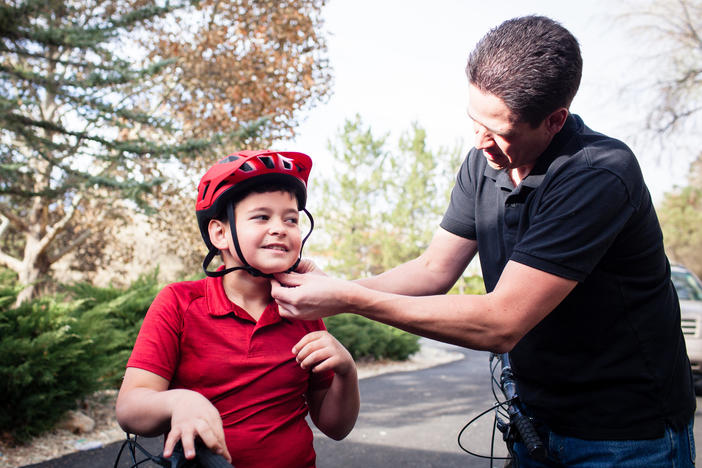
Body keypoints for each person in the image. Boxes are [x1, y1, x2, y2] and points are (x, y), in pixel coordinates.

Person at [270, 16, 696, 467]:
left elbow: (500, 323)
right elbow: (433, 270)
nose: (480, 142)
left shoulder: (596, 174)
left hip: (623, 436)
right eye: (475, 121)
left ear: (555, 121)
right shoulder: (483, 163)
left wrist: (349, 299)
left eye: (500, 131)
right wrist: (333, 289)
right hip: (536, 419)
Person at [116, 150, 360, 468]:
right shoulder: (179, 303)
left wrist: (346, 372)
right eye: (262, 216)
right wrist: (179, 401)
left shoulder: (303, 309)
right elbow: (130, 408)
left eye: (291, 218)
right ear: (220, 233)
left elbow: (335, 427)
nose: (280, 228)